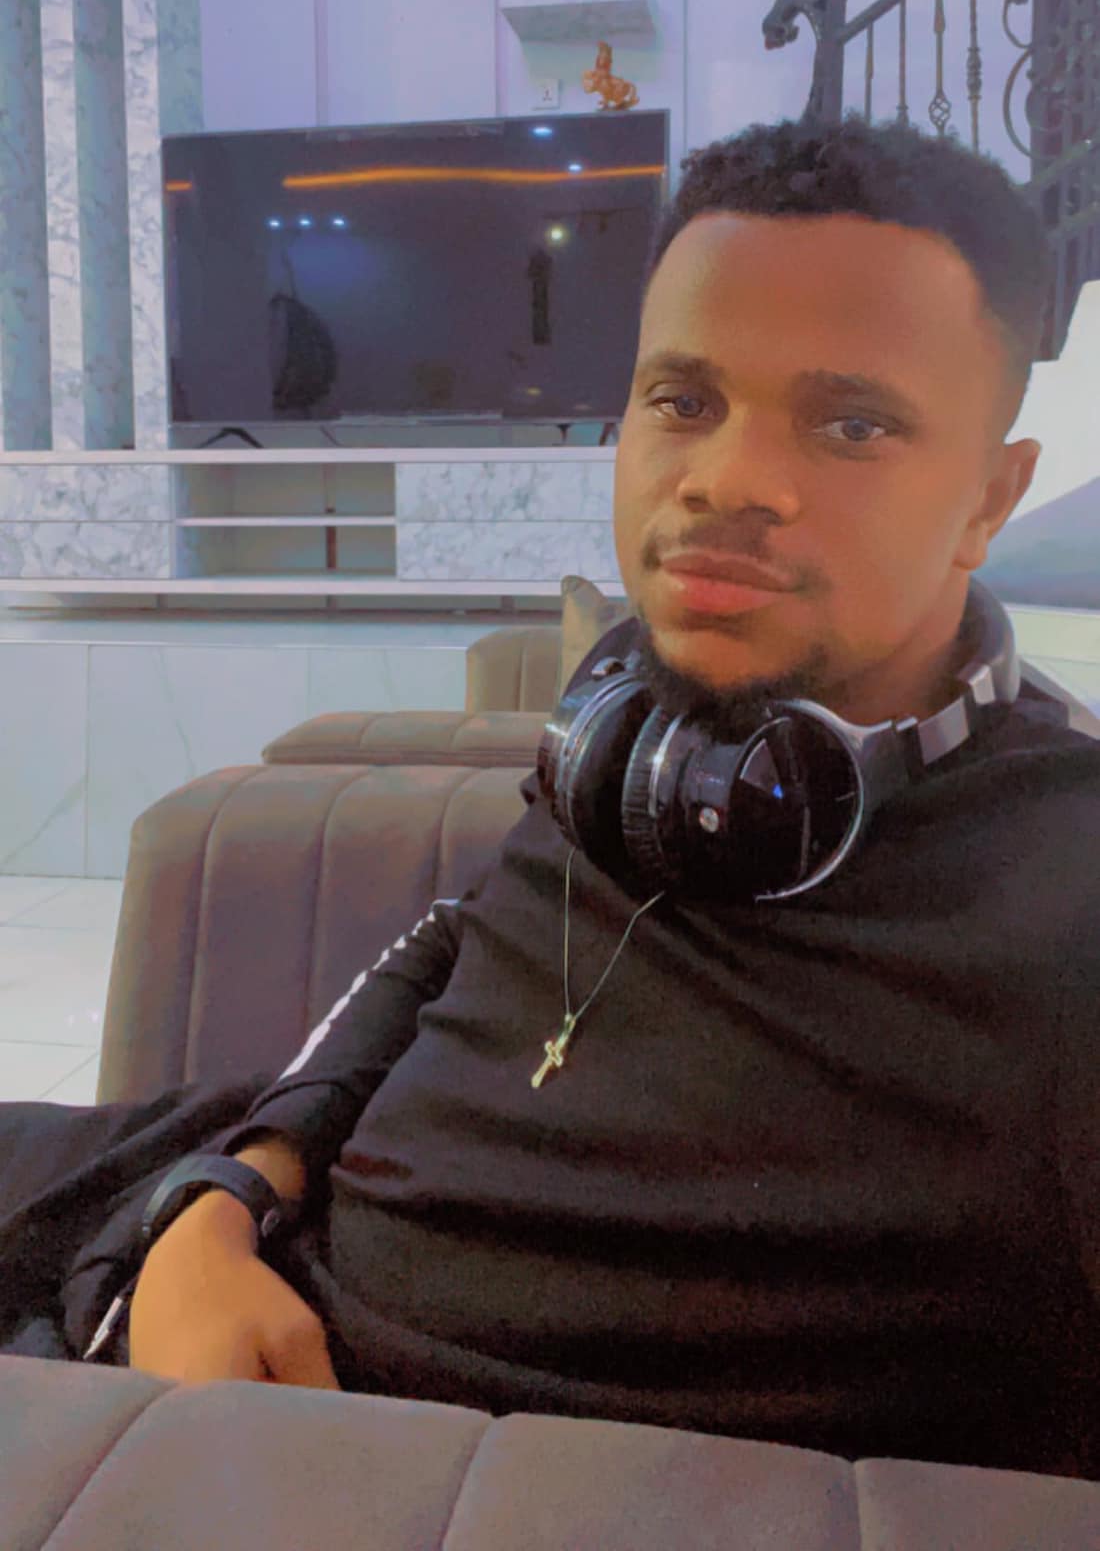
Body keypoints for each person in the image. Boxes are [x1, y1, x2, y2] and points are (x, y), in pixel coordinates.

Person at [2, 116, 1098, 1478]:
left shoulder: (1064, 888)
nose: (726, 480)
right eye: (683, 400)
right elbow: (457, 943)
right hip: (201, 1215)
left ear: (991, 497)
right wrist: (231, 1191)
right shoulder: (635, 725)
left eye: (852, 423)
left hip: (232, 1448)